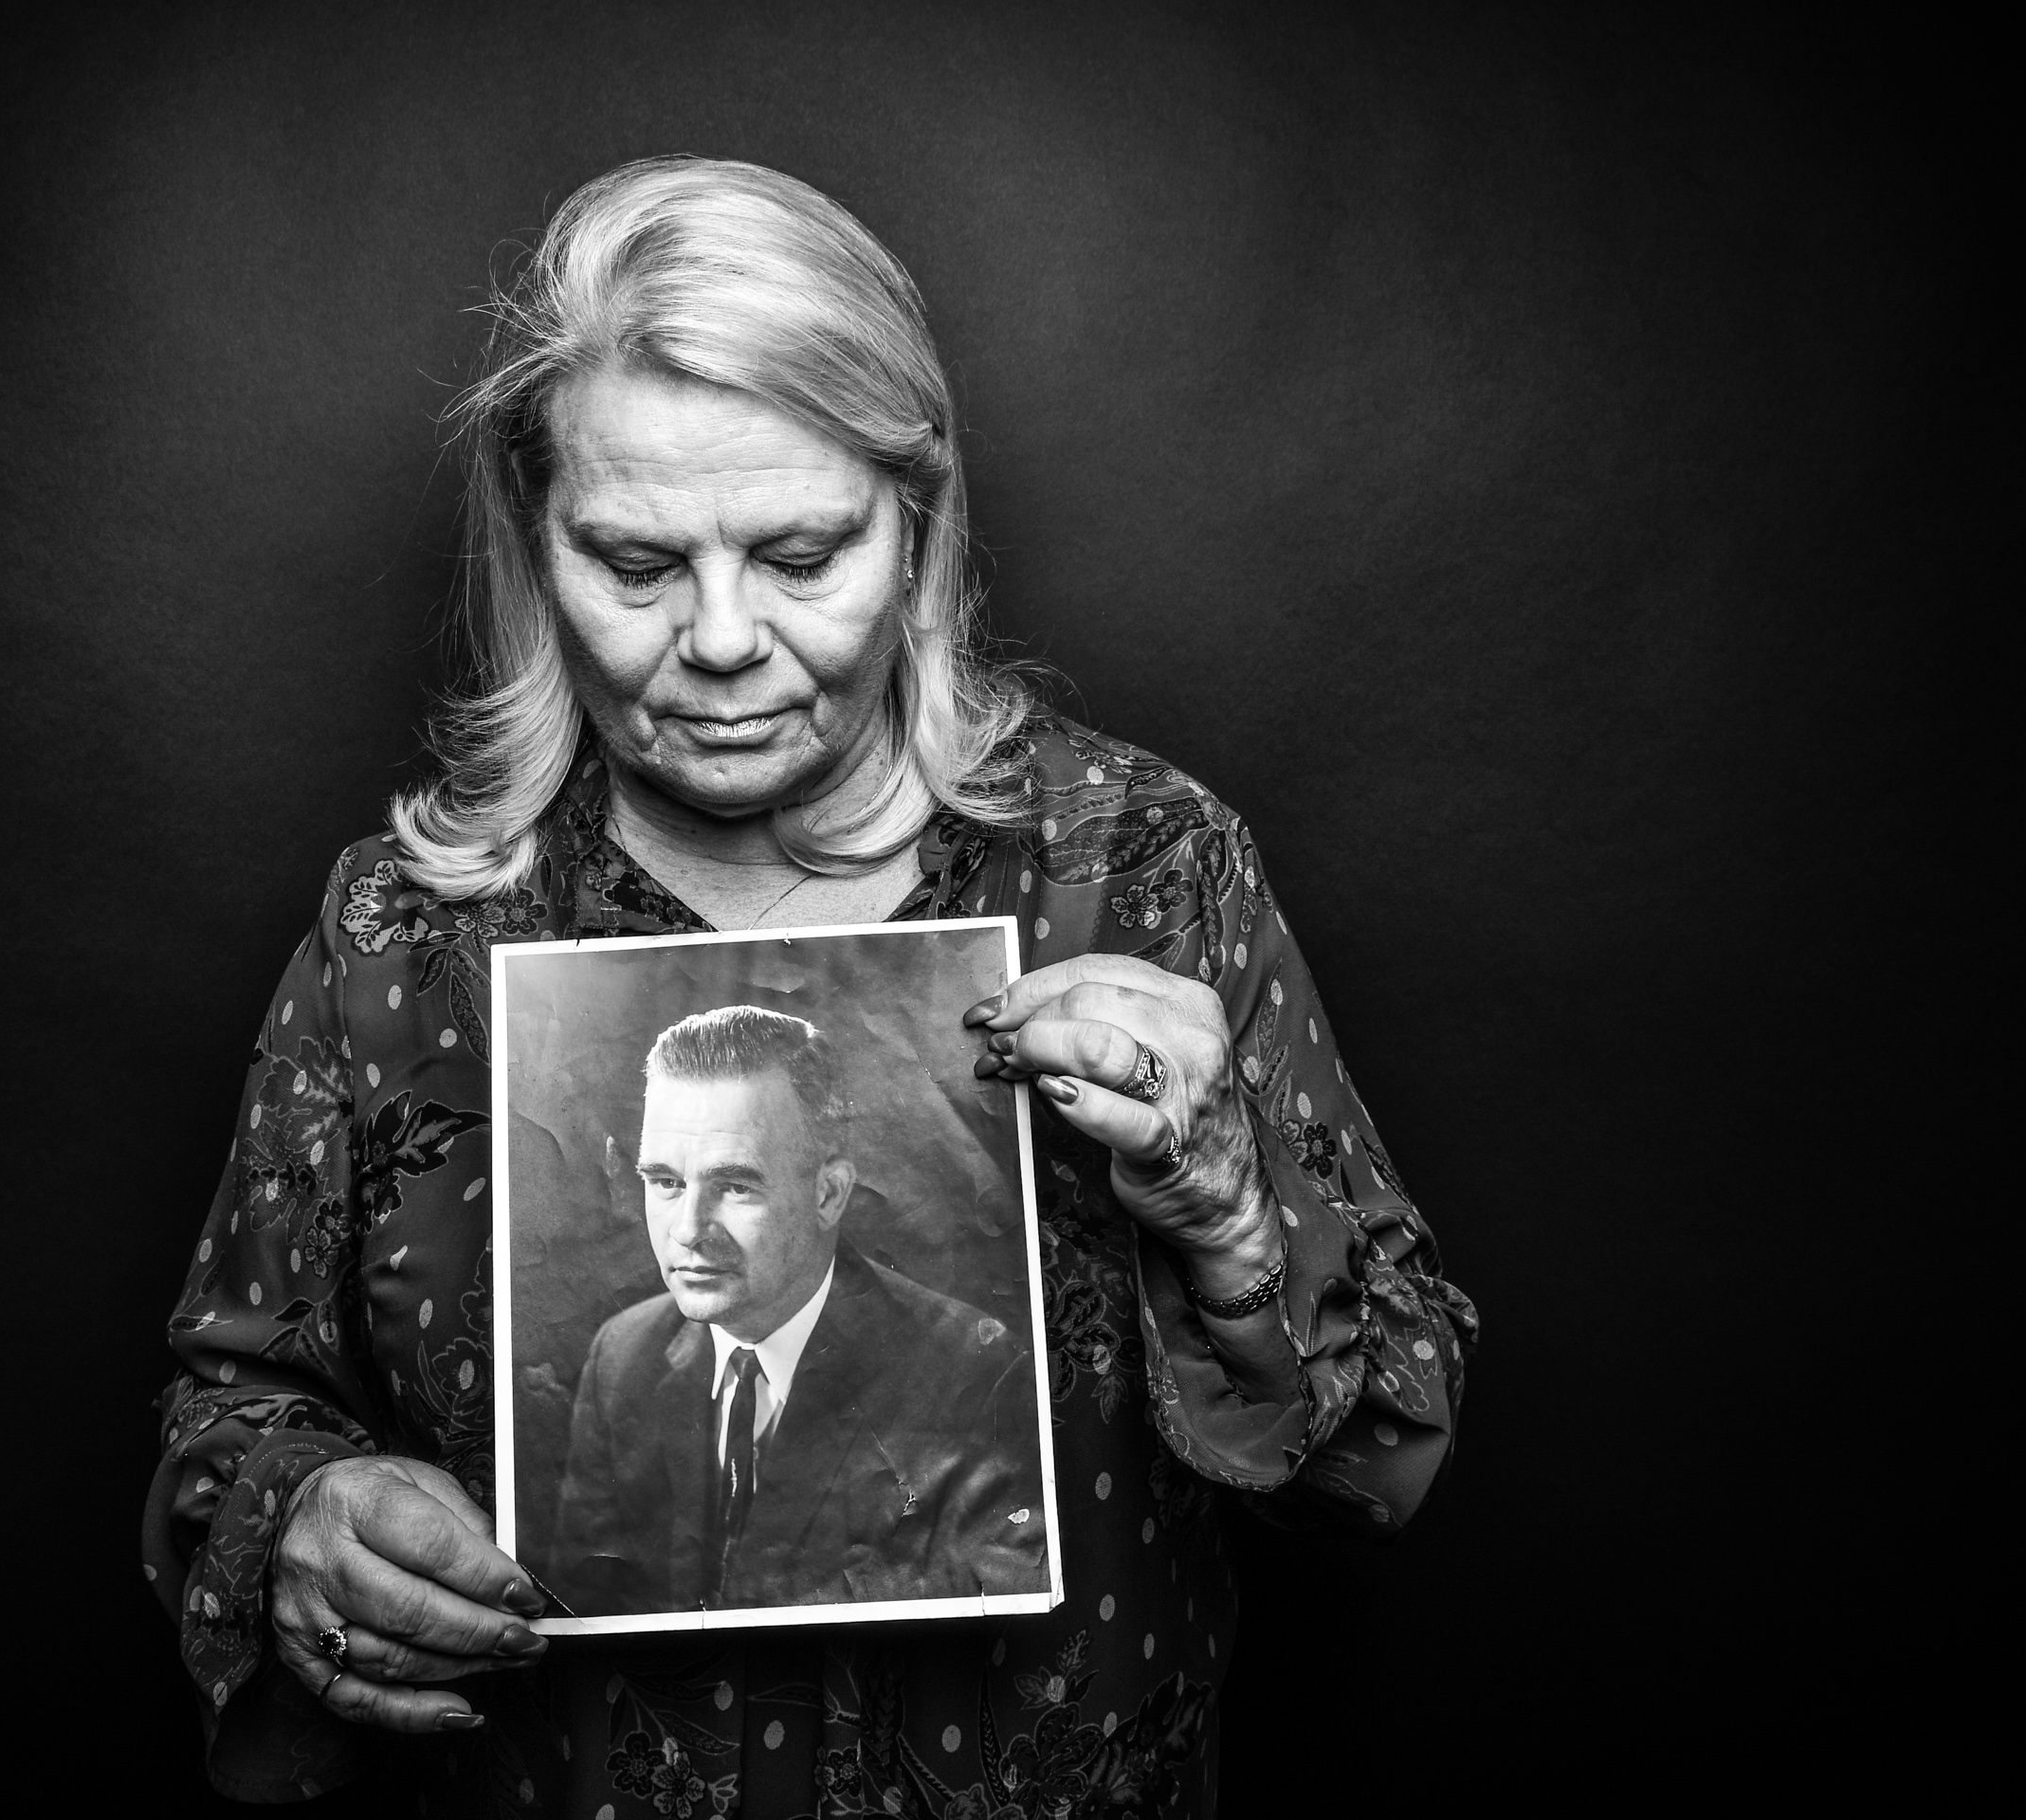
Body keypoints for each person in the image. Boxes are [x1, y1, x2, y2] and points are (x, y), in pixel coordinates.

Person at [143, 155, 1479, 1814]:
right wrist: (301, 1520)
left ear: (916, 525)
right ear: (534, 543)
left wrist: (1219, 1211)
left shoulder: (1143, 868)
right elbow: (236, 1403)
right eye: (634, 562)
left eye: (800, 551)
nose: (717, 640)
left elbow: (1386, 1471)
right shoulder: (401, 938)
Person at [547, 1005, 1049, 1615]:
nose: (689, 1230)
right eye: (667, 1182)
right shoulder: (622, 1356)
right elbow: (581, 1609)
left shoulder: (973, 1374)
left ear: (828, 1194)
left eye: (734, 1186)